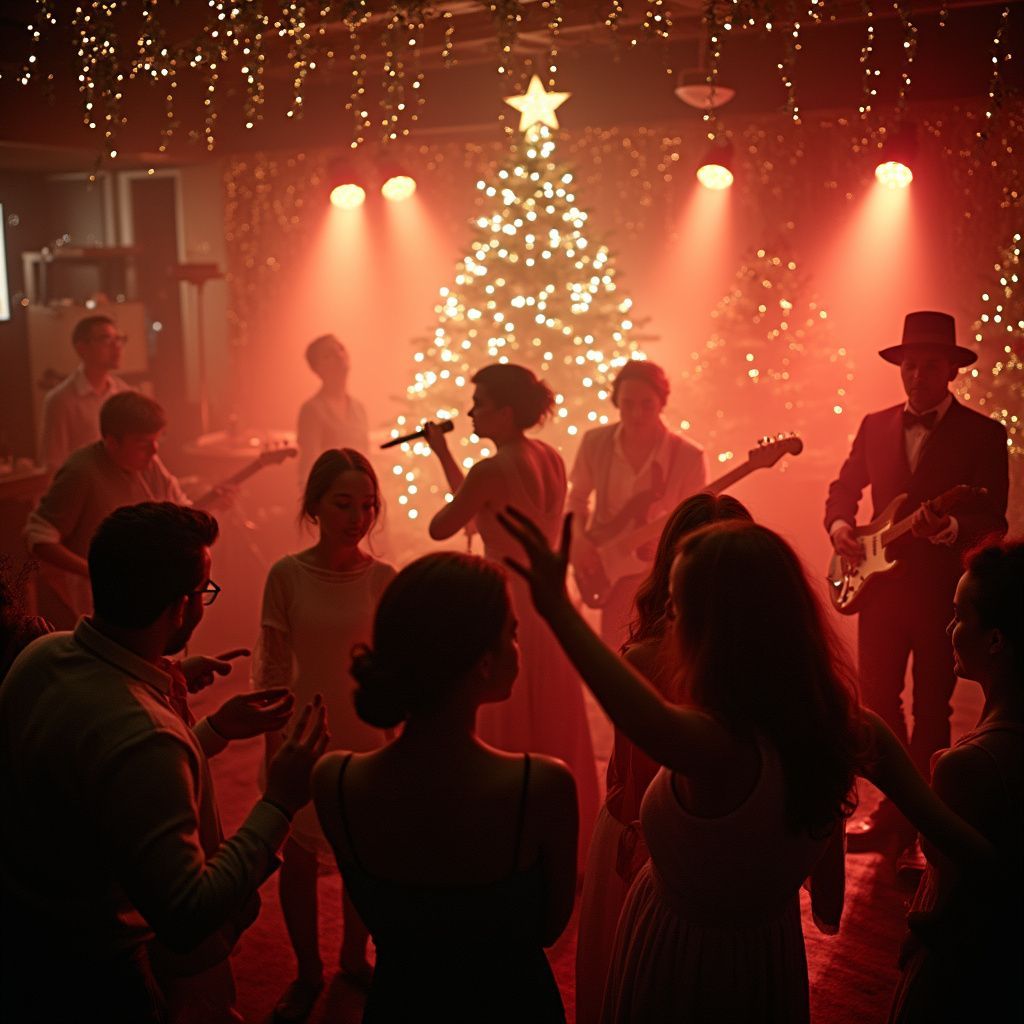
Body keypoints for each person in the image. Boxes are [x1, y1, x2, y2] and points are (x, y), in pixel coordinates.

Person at [498, 508, 995, 1023]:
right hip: (766, 955)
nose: (668, 619)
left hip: (680, 956)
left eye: (678, 607)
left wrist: (557, 609)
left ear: (718, 631)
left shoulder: (716, 745)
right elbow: (968, 847)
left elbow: (632, 708)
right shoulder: (848, 726)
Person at [0, 502, 329, 1023]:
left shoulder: (41, 657)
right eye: (204, 591)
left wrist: (213, 729)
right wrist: (279, 801)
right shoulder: (144, 734)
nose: (204, 603)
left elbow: (118, 784)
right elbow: (187, 915)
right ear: (180, 606)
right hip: (99, 978)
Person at [312, 551, 578, 1022]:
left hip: (400, 1003)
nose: (519, 647)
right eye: (512, 633)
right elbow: (549, 927)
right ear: (483, 662)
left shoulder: (333, 779)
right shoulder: (541, 786)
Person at [826, 311, 1009, 857]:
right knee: (877, 701)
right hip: (878, 591)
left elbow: (993, 519)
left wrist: (949, 528)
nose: (917, 375)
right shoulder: (874, 424)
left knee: (933, 707)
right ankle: (898, 808)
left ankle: (927, 819)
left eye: (930, 365)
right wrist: (841, 527)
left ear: (952, 371)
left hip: (939, 595)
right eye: (909, 365)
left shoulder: (984, 433)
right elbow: (843, 488)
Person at [574, 492, 752, 1024]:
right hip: (645, 837)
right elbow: (635, 786)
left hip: (710, 846)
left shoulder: (766, 668)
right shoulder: (651, 659)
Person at [424, 363, 599, 865]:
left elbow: (443, 525)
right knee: (553, 716)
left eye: (479, 403)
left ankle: (509, 842)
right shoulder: (549, 457)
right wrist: (445, 454)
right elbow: (482, 505)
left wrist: (442, 454)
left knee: (506, 715)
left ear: (504, 412)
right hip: (549, 599)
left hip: (504, 603)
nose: (470, 412)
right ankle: (567, 840)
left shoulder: (490, 470)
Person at [252, 448, 395, 1022]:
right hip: (304, 732)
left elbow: (392, 667)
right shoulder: (286, 574)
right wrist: (275, 745)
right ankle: (307, 970)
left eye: (367, 505)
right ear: (314, 506)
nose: (357, 518)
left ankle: (353, 956)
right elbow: (271, 666)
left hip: (365, 731)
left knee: (363, 857)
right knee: (300, 857)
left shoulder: (382, 577)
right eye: (343, 504)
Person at [888, 539, 1024, 1023]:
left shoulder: (969, 766)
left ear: (995, 640)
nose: (948, 629)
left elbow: (946, 909)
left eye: (959, 616)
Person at [25, 390, 228, 629]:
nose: (154, 451)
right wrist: (95, 571)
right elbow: (39, 539)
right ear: (112, 442)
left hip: (141, 595)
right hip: (94, 602)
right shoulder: (80, 472)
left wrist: (212, 504)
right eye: (143, 444)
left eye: (157, 440)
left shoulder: (149, 464)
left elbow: (179, 515)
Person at [568, 359, 706, 652]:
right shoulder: (595, 442)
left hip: (658, 572)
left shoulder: (688, 456)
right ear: (616, 400)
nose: (636, 414)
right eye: (627, 404)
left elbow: (696, 526)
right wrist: (578, 542)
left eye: (646, 404)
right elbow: (576, 499)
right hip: (606, 564)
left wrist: (665, 542)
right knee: (613, 651)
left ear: (661, 403)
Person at [38, 314, 130, 472]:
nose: (116, 346)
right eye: (106, 339)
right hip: (83, 485)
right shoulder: (61, 400)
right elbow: (54, 462)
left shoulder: (123, 393)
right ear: (82, 348)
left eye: (118, 339)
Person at [296, 335, 370, 485]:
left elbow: (367, 456)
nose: (339, 355)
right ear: (317, 368)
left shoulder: (359, 408)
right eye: (328, 354)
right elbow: (309, 465)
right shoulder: (312, 410)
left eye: (340, 348)